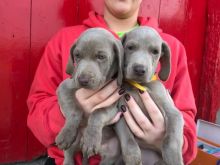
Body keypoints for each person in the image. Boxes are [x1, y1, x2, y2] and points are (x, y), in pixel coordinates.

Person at [27, 0, 197, 164]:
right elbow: (36, 116)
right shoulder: (65, 40)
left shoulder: (172, 47)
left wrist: (164, 140)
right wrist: (75, 113)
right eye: (130, 48)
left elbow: (187, 124)